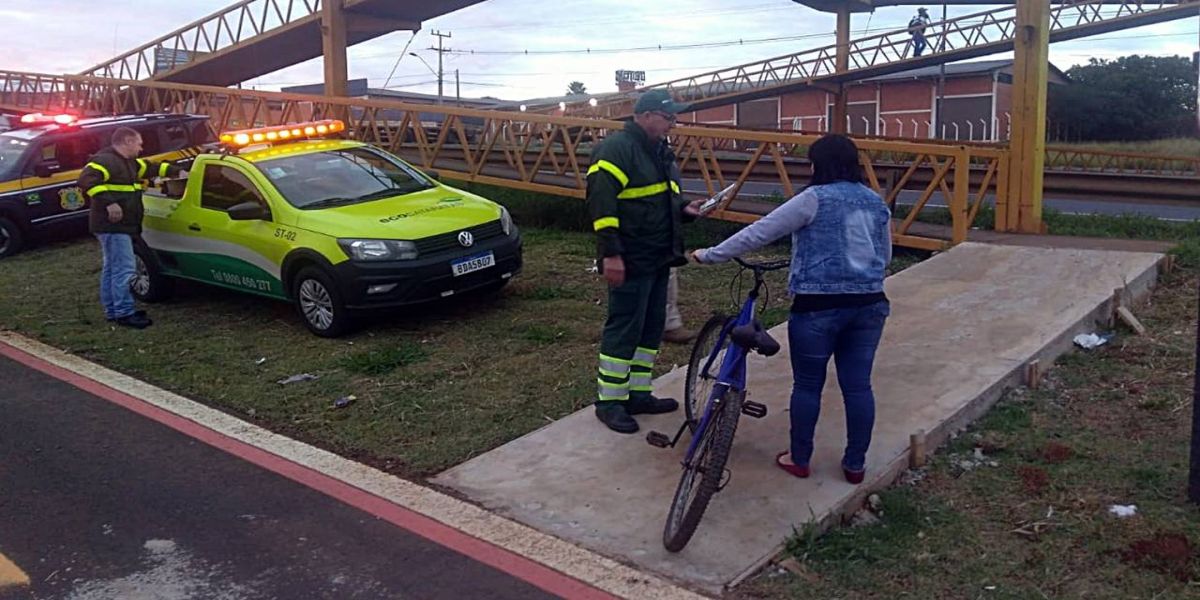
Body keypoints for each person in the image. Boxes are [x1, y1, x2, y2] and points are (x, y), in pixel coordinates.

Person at [690, 134, 892, 484]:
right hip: (869, 305)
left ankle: (799, 459)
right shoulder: (876, 202)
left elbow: (759, 233)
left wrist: (710, 254)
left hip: (817, 308)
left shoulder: (813, 199)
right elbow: (884, 255)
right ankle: (855, 465)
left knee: (808, 385)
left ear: (818, 164)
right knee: (859, 386)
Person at [588, 89, 706, 434]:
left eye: (674, 118)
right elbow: (602, 208)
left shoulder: (659, 151)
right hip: (631, 256)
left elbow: (659, 198)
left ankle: (638, 394)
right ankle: (609, 402)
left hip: (658, 255)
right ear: (646, 115)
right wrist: (611, 255)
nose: (674, 124)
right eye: (669, 117)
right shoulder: (616, 150)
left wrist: (683, 209)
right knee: (624, 327)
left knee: (651, 327)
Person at [79, 127, 184, 329]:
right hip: (113, 226)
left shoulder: (128, 163)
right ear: (127, 142)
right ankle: (124, 312)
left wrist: (176, 171)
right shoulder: (106, 161)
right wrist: (109, 203)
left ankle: (113, 310)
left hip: (120, 226)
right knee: (124, 268)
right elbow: (86, 180)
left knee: (112, 268)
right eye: (138, 143)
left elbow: (151, 168)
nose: (141, 147)